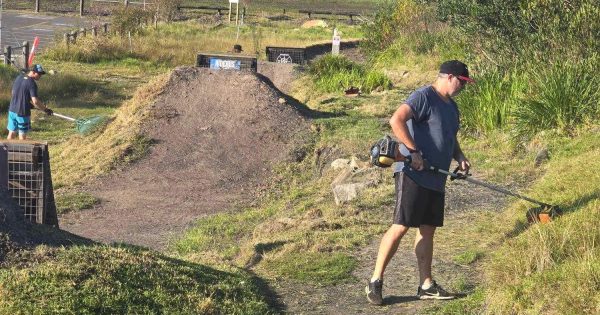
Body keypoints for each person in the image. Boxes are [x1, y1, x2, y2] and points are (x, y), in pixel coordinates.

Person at [366, 60, 474, 305]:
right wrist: (413, 152)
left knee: (427, 230)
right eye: (462, 82)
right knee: (401, 226)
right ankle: (375, 280)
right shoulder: (424, 96)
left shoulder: (453, 108)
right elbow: (396, 120)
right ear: (448, 77)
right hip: (412, 174)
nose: (463, 87)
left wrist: (460, 157)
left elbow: (450, 138)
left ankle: (425, 284)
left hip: (437, 178)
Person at [6, 64, 53, 140]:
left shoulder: (19, 77)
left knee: (11, 133)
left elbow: (13, 92)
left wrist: (27, 102)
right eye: (39, 74)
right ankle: (21, 151)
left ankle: (5, 151)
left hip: (12, 110)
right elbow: (35, 101)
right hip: (22, 113)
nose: (40, 76)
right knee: (22, 135)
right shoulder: (32, 84)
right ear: (33, 72)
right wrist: (45, 110)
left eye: (41, 74)